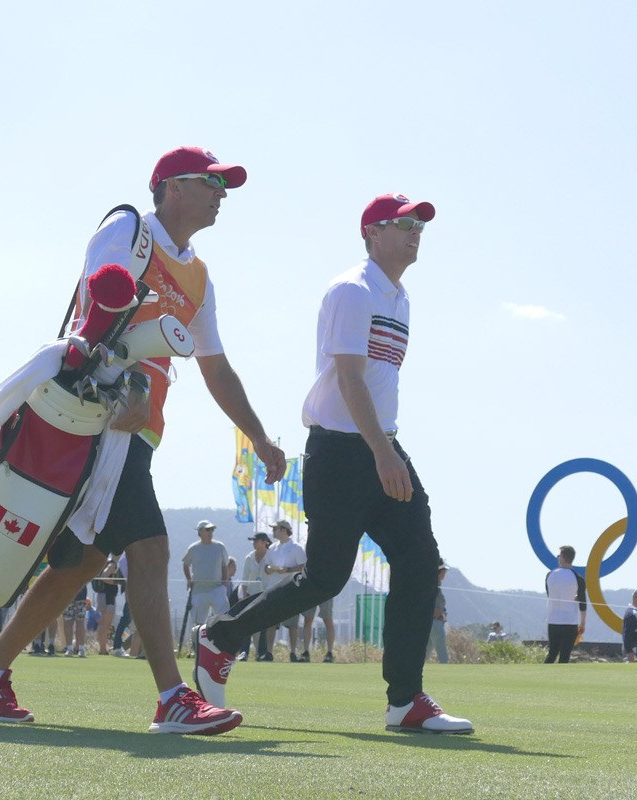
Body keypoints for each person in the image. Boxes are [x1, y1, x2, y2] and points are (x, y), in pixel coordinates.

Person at [0, 145, 285, 736]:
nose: (220, 195)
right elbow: (97, 311)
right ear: (172, 186)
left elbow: (215, 367)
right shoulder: (129, 229)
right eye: (210, 183)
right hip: (98, 420)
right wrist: (128, 383)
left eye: (223, 187)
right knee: (151, 548)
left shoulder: (199, 275)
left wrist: (258, 436)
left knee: (85, 559)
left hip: (139, 430)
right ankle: (173, 698)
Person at [196, 193, 473, 734]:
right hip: (342, 453)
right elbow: (348, 378)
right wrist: (383, 453)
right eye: (403, 225)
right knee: (325, 578)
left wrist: (386, 448)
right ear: (372, 233)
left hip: (380, 446)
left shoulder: (400, 298)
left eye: (419, 226)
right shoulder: (353, 289)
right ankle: (221, 638)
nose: (415, 233)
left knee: (420, 563)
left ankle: (405, 701)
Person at [262, 520, 306, 662]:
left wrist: (288, 570)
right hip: (273, 589)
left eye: (275, 529)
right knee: (271, 622)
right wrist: (270, 569)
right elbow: (266, 567)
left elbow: (303, 566)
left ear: (283, 530)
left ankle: (293, 652)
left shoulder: (296, 548)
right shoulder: (272, 548)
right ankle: (269, 652)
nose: (273, 531)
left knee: (292, 624)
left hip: (291, 589)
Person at [182, 520, 230, 628]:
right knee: (198, 623)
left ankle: (220, 638)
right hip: (199, 590)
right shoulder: (193, 548)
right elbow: (186, 564)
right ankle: (199, 639)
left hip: (217, 589)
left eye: (212, 529)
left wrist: (224, 584)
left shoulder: (220, 547)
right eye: (208, 529)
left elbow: (224, 566)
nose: (210, 532)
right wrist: (189, 579)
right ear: (200, 532)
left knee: (223, 619)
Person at [544, 545, 586, 664]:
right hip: (570, 622)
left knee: (552, 654)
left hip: (553, 620)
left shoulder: (550, 575)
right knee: (565, 656)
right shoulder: (578, 578)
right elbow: (583, 603)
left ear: (562, 557)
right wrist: (582, 623)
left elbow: (550, 594)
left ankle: (542, 674)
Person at [236, 533, 272, 661]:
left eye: (256, 541)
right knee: (247, 624)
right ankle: (244, 652)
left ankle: (261, 653)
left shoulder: (271, 556)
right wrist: (243, 598)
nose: (254, 543)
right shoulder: (249, 558)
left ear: (264, 542)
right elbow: (245, 580)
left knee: (263, 626)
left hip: (267, 595)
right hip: (251, 596)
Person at [299, 595, 336, 662]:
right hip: (311, 592)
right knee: (308, 620)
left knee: (328, 620)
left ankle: (329, 653)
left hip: (326, 592)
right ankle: (306, 653)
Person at [425, 559, 448, 664]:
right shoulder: (432, 585)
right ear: (439, 571)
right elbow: (426, 602)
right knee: (443, 655)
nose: (445, 573)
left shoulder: (436, 585)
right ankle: (446, 672)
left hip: (434, 622)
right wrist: (434, 612)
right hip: (434, 622)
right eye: (444, 571)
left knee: (425, 653)